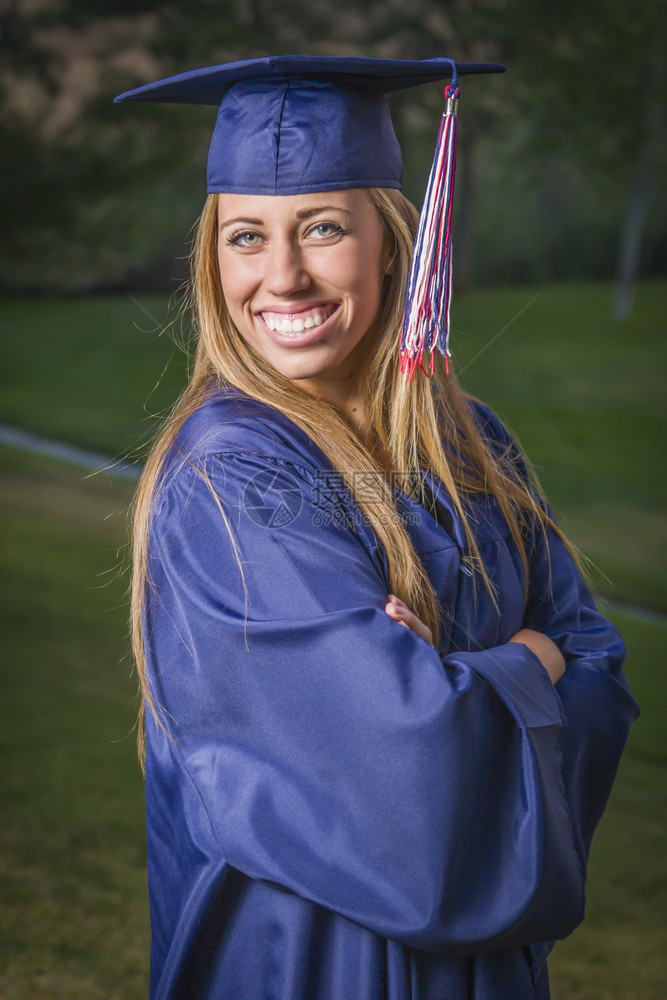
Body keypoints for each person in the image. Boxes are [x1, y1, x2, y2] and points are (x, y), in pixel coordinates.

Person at [116, 56, 639, 1000]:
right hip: (300, 958)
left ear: (392, 243)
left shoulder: (471, 445)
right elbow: (407, 765)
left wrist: (461, 680)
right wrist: (525, 660)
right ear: (212, 257)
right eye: (245, 237)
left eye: (322, 228)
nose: (282, 275)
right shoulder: (230, 476)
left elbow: (598, 658)